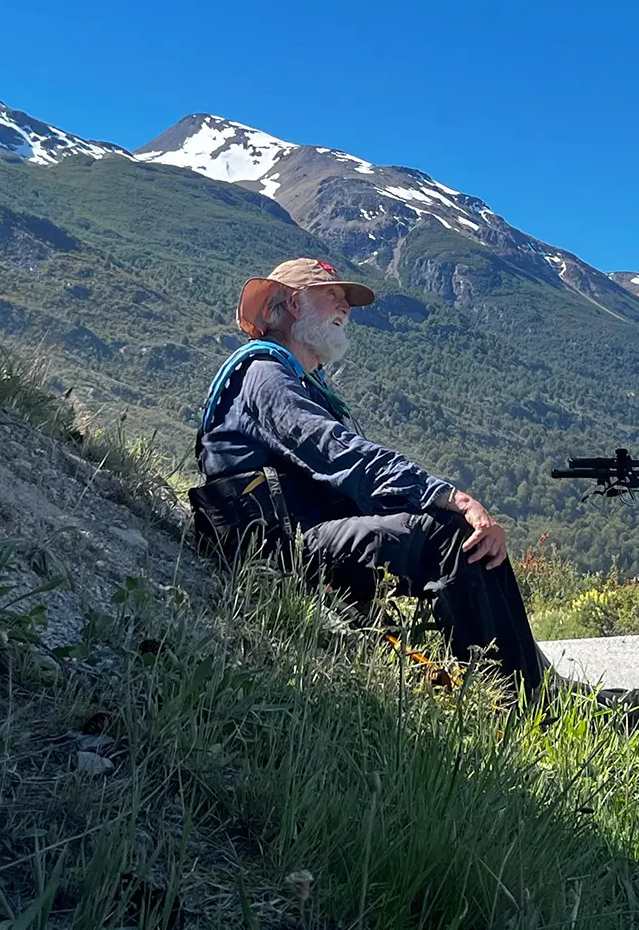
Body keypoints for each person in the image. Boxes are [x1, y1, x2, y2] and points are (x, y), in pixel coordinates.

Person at [187, 257, 547, 696]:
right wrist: (449, 496)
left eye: (347, 300)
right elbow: (338, 453)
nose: (346, 309)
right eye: (331, 296)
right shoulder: (264, 374)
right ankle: (525, 701)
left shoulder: (298, 379)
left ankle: (528, 679)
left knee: (445, 534)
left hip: (303, 538)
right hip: (280, 550)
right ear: (292, 303)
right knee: (451, 536)